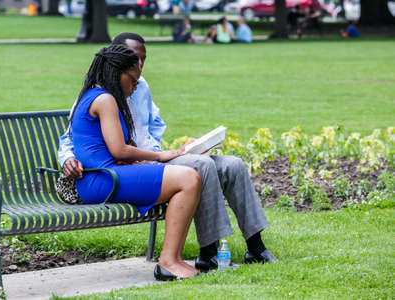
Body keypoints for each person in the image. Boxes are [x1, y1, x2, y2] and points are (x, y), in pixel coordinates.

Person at [59, 33, 278, 273]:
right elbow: (75, 138)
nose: (139, 69)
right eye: (134, 63)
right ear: (117, 63)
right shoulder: (102, 95)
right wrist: (68, 158)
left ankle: (256, 246)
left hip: (151, 158)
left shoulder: (140, 87)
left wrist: (182, 148)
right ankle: (209, 253)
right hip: (128, 166)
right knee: (201, 167)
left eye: (143, 59)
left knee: (231, 164)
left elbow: (153, 131)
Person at [69, 44, 201, 281]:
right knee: (188, 178)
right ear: (116, 73)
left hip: (106, 175)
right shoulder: (104, 99)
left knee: (187, 176)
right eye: (133, 79)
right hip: (101, 178)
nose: (136, 86)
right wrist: (161, 155)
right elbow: (119, 150)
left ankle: (176, 259)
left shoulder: (97, 95)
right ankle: (168, 261)